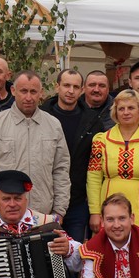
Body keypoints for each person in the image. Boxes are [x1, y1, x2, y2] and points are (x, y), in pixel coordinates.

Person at [0, 70, 70, 219]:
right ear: (13, 91)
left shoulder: (53, 125)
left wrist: (59, 212)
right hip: (2, 216)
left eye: (33, 92)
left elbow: (61, 170)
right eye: (23, 91)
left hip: (42, 216)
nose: (28, 97)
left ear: (41, 93)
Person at [86, 89, 139, 239]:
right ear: (115, 112)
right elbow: (93, 178)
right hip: (108, 209)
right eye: (121, 108)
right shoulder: (101, 141)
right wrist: (94, 212)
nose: (126, 112)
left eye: (131, 108)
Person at [41, 69, 107, 243]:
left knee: (73, 256)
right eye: (66, 85)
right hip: (44, 199)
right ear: (57, 87)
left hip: (77, 201)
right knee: (44, 253)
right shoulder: (41, 117)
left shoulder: (93, 122)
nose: (70, 91)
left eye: (75, 87)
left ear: (82, 90)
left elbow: (97, 164)